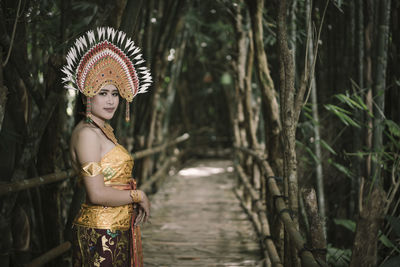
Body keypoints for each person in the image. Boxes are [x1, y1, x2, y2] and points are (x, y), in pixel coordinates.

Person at [62, 27, 153, 267]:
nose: (111, 100)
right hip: (101, 234)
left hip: (115, 228)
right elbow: (97, 193)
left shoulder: (103, 130)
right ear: (86, 96)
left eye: (115, 93)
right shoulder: (87, 135)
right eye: (103, 93)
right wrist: (138, 194)